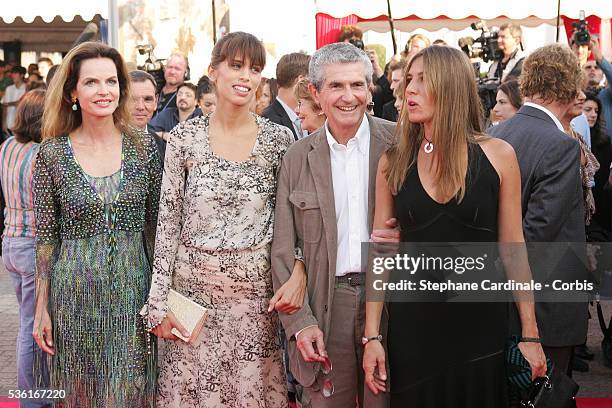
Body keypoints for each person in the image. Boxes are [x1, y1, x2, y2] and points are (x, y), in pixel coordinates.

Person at [363, 45, 545, 407]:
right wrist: (372, 337)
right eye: (408, 81)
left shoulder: (499, 155)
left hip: (481, 327)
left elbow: (513, 249)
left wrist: (530, 333)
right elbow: (381, 257)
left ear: (450, 86)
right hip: (413, 328)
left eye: (421, 80)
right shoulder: (393, 163)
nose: (408, 90)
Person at [141, 31, 306, 406]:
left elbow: (294, 220)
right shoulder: (185, 138)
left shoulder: (279, 141)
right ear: (213, 72)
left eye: (255, 69)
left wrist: (299, 269)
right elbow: (167, 223)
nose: (246, 76)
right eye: (236, 66)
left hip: (254, 303)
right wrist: (158, 301)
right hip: (191, 298)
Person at [32, 41, 162, 406]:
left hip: (133, 295)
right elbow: (45, 239)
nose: (103, 91)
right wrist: (41, 307)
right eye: (91, 82)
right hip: (73, 298)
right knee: (81, 395)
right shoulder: (52, 154)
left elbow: (156, 228)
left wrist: (162, 293)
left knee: (133, 392)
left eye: (111, 81)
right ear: (73, 91)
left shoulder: (144, 148)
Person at [271, 42, 397, 408]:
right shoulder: (296, 157)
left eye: (357, 85)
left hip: (391, 304)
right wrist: (300, 323)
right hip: (327, 304)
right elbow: (282, 247)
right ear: (315, 92)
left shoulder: (399, 143)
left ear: (369, 89)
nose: (349, 97)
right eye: (336, 86)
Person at [489, 44, 589, 377]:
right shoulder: (561, 145)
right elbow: (538, 236)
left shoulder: (495, 133)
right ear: (568, 85)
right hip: (545, 308)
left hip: (498, 303)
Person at [0, 89, 49, 408]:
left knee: (27, 321)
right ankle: (32, 399)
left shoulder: (6, 146)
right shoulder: (42, 152)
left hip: (10, 242)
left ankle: (36, 394)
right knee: (33, 326)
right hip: (32, 243)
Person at [561, 89, 599, 225]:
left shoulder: (581, 121)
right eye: (574, 91)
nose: (582, 97)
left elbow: (589, 166)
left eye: (596, 111)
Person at [262, 52, 310, 140]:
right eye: (310, 79)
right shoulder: (267, 121)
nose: (313, 86)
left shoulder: (310, 117)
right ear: (301, 79)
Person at [583, 90, 611, 239]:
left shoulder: (604, 142)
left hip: (600, 205)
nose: (593, 114)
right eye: (588, 110)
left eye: (596, 111)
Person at [2, 66, 27, 136]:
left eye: (15, 73)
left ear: (22, 75)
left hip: (21, 124)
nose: (13, 75)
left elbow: (22, 103)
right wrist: (4, 122)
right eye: (12, 73)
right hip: (9, 122)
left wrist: (8, 104)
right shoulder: (9, 89)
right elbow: (5, 107)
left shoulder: (26, 88)